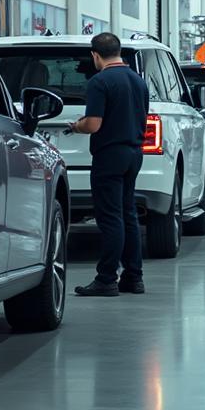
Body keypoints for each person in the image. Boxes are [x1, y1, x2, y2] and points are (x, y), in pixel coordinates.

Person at [69, 33, 149, 297]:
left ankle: (106, 279)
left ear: (95, 55)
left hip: (109, 155)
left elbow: (93, 124)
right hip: (134, 153)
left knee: (110, 217)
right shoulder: (138, 82)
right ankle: (133, 277)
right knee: (128, 214)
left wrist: (76, 126)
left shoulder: (100, 82)